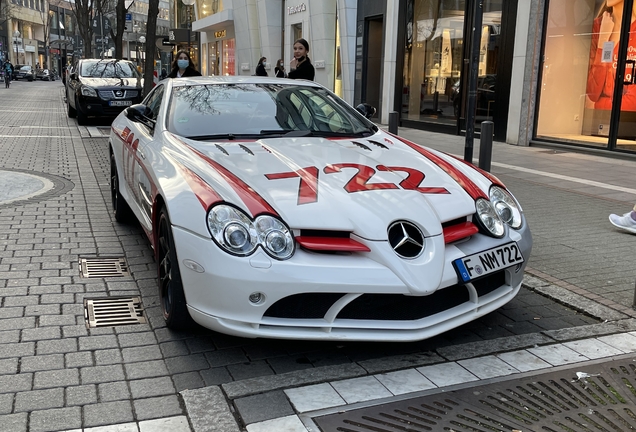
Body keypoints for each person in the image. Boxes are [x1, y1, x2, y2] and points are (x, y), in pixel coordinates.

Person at [586, 0, 636, 110]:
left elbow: (632, 103)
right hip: (596, 122)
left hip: (625, 123)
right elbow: (592, 92)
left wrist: (597, 105)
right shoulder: (596, 27)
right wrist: (603, 42)